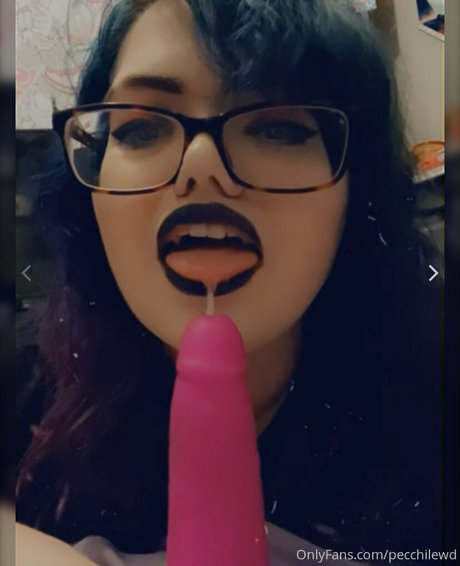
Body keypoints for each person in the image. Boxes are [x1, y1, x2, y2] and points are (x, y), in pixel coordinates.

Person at [16, 0, 443, 563]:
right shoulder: (29, 389)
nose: (200, 164)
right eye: (141, 127)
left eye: (276, 126)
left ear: (355, 190)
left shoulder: (433, 416)